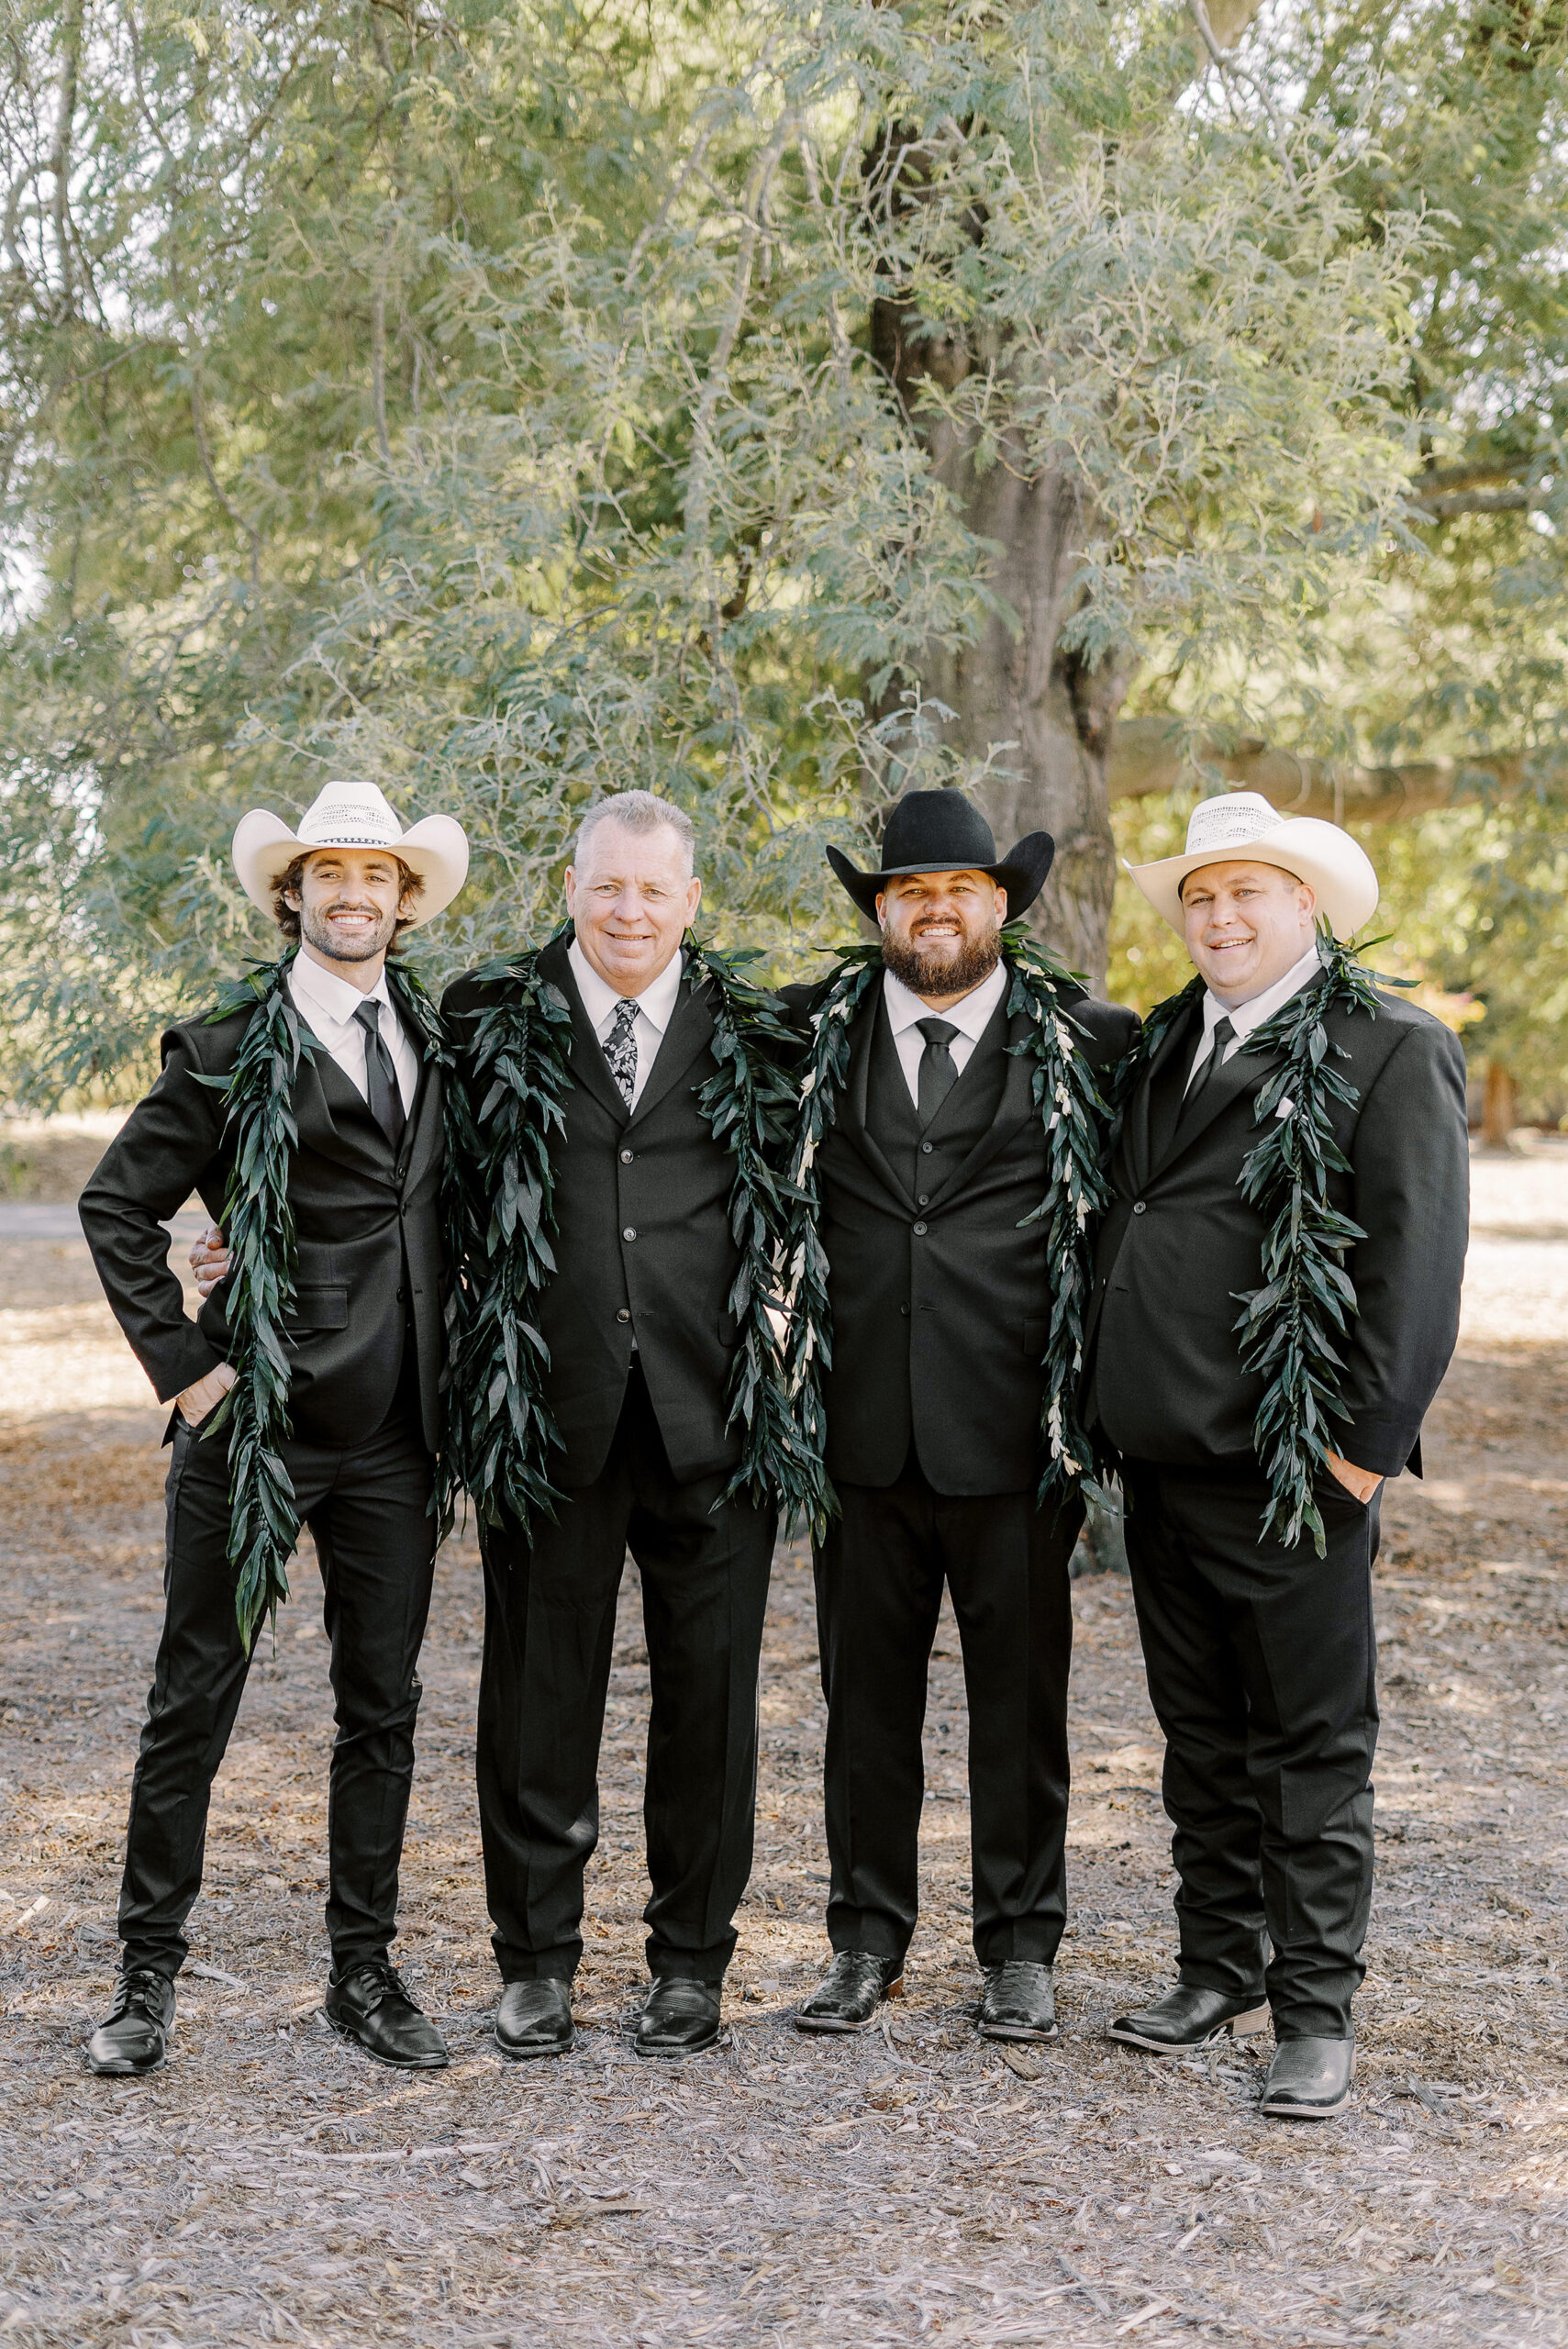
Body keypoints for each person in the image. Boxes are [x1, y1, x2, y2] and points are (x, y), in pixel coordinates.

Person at [1087, 791, 1469, 2121]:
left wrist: (1356, 1461)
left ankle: (1313, 2009)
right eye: (1199, 895)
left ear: (1303, 904)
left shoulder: (1386, 1046)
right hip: (1162, 1461)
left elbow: (1415, 1274)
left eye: (1246, 891)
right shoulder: (1160, 1043)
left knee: (1308, 1748)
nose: (1220, 915)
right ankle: (1215, 1966)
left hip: (1297, 1475)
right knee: (1198, 1741)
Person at [78, 781, 469, 2077]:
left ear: (405, 901)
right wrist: (187, 1368)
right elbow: (116, 1205)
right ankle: (146, 1980)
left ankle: (362, 1974)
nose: (354, 893)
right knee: (195, 1696)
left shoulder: (440, 1037)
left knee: (384, 1705)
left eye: (378, 874)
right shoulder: (226, 1043)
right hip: (258, 1429)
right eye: (329, 873)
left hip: (401, 1432)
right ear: (290, 893)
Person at [441, 790, 801, 2062]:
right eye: (608, 887)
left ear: (692, 900)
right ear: (572, 887)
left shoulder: (756, 1032)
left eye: (654, 890)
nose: (630, 911)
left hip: (715, 1424)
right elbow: (388, 1168)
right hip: (548, 1422)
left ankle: (690, 1964)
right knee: (539, 1703)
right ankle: (533, 1962)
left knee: (708, 1711)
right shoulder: (485, 1020)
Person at [778, 789, 1138, 2041]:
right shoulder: (801, 1036)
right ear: (879, 911)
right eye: (909, 892)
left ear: (1001, 908)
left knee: (1018, 1711)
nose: (936, 910)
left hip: (1015, 1440)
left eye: (960, 891)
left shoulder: (1093, 1042)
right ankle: (863, 1939)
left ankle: (1018, 1947)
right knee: (861, 1710)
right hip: (859, 1437)